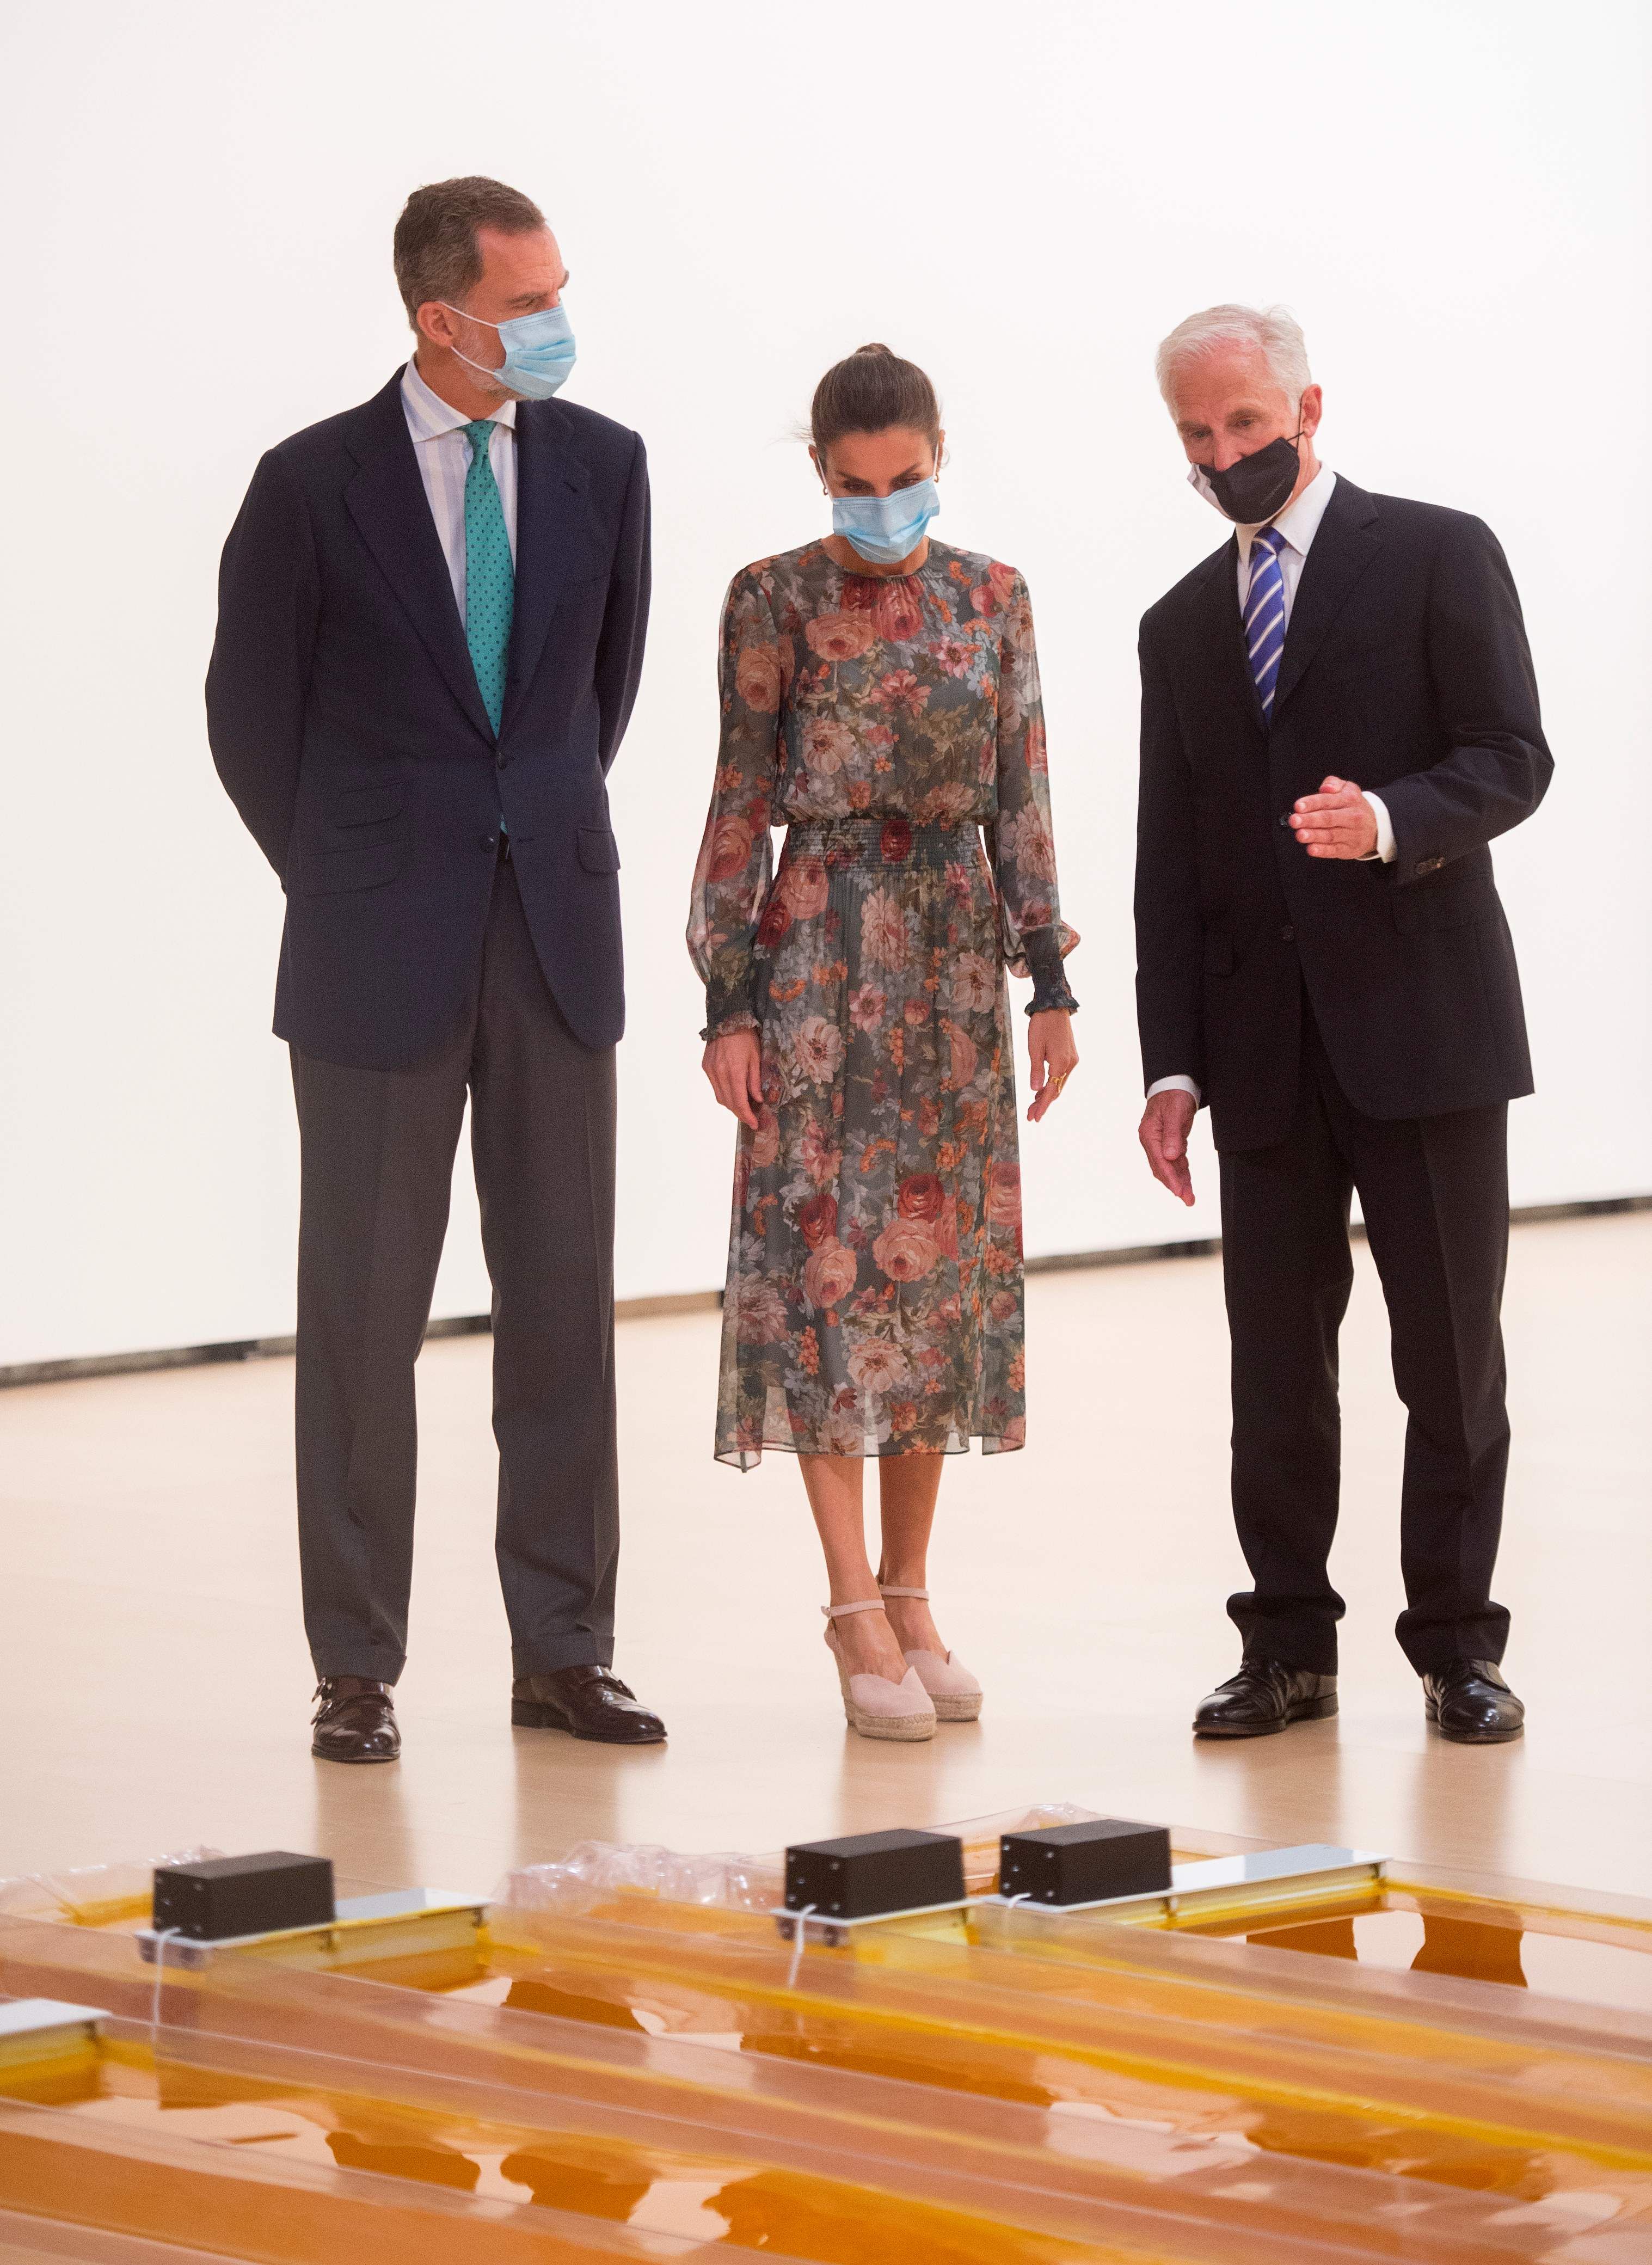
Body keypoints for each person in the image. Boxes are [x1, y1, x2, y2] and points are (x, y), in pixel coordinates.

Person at [206, 176, 663, 1761]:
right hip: (370, 950)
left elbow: (591, 699)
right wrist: (354, 873)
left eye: (557, 292)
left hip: (552, 931)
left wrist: (513, 834)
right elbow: (249, 719)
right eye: (525, 301)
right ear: (437, 316)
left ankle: (565, 1649)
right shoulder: (309, 483)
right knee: (360, 1320)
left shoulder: (607, 465)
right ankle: (357, 1668)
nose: (553, 323)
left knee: (561, 1310)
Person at [1134, 304, 1551, 1746]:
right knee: (1273, 1368)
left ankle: (1454, 1648)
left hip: (1425, 1029)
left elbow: (1509, 756)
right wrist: (1170, 1062)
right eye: (1195, 434)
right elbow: (1169, 862)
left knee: (1446, 1354)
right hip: (1259, 1054)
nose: (1221, 453)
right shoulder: (1180, 624)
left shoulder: (1437, 553)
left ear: (1308, 406)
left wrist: (1389, 822)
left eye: (1243, 424)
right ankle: (1285, 1650)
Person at [688, 344, 1080, 1740]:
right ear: (819, 472)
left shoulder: (996, 597)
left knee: (937, 1275)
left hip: (954, 956)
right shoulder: (772, 597)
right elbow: (739, 800)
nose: (881, 504)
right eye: (855, 484)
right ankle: (852, 1600)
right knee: (826, 1274)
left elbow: (1022, 786)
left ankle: (916, 1592)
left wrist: (1050, 981)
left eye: (904, 479)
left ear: (938, 454)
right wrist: (726, 999)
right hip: (815, 957)